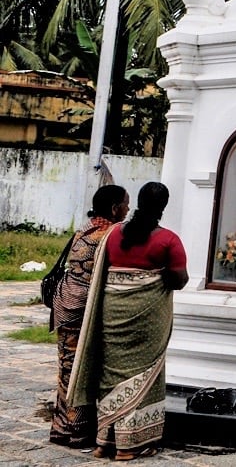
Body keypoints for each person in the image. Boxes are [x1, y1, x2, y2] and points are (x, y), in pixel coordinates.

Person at [69, 181, 188, 461]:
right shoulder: (168, 240)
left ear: (137, 202)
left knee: (112, 373)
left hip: (112, 312)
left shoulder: (113, 236)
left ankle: (103, 442)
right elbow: (179, 280)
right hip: (146, 320)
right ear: (164, 206)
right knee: (144, 373)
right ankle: (129, 445)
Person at [49, 185, 129, 449]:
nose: (128, 210)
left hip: (65, 305)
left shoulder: (86, 228)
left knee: (67, 368)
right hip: (80, 309)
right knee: (79, 372)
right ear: (116, 208)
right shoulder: (110, 234)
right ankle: (78, 433)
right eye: (125, 205)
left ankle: (61, 429)